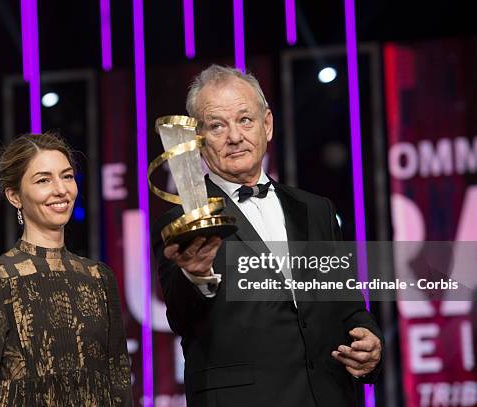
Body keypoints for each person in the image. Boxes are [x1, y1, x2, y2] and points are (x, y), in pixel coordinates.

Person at [151, 65, 383, 406]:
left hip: (330, 395)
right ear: (197, 140)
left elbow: (347, 304)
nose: (234, 136)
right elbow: (181, 317)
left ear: (267, 125)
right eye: (217, 126)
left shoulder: (315, 209)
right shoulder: (185, 221)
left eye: (245, 120)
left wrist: (369, 341)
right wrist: (196, 275)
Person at [0, 133, 132, 406]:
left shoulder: (99, 278)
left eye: (66, 176)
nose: (61, 189)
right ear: (15, 196)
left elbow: (119, 386)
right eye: (43, 180)